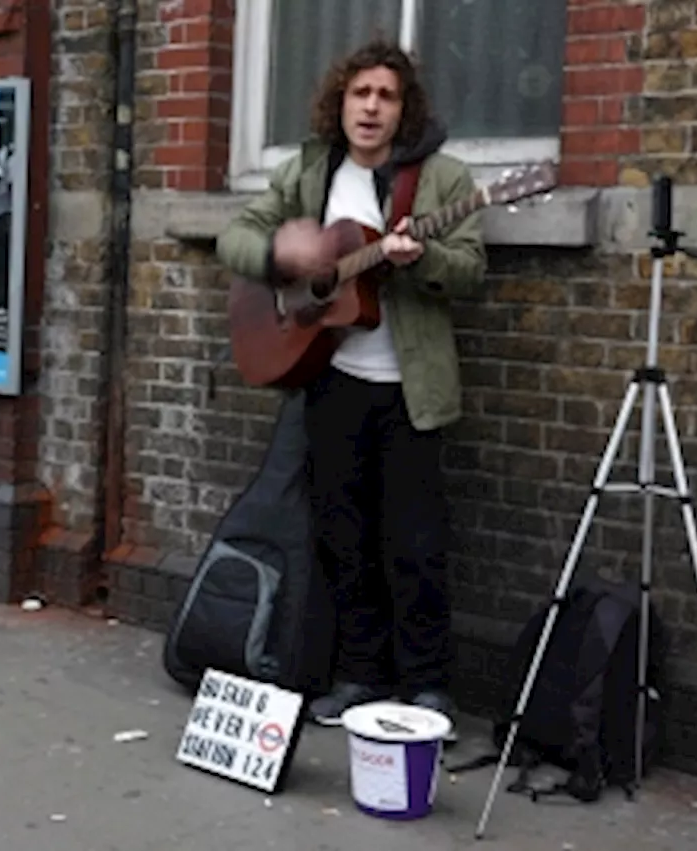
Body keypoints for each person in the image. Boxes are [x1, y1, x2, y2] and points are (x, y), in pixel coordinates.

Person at [215, 39, 487, 734]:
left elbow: (471, 272)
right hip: (331, 380)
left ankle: (426, 685)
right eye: (359, 94)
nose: (371, 107)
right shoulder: (310, 172)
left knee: (416, 541)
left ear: (404, 111)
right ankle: (359, 674)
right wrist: (282, 250)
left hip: (409, 387)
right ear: (340, 103)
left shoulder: (441, 179)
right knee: (344, 534)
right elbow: (234, 240)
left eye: (386, 96)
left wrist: (419, 259)